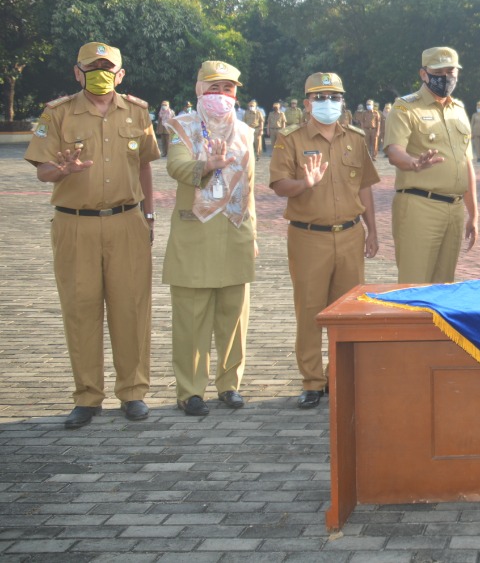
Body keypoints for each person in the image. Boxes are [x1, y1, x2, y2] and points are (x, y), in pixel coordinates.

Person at [26, 42, 159, 429]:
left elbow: (146, 166)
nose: (100, 72)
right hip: (75, 223)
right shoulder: (58, 114)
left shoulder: (138, 112)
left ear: (120, 74)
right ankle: (87, 396)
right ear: (77, 72)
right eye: (92, 67)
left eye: (107, 67)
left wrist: (149, 215)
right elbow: (42, 171)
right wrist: (61, 170)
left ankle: (133, 392)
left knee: (131, 308)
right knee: (80, 309)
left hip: (126, 221)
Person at [269, 72, 380, 409]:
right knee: (309, 310)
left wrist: (372, 229)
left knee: (348, 311)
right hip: (308, 236)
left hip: (349, 234)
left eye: (334, 97)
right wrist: (304, 183)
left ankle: (340, 376)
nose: (327, 103)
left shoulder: (356, 139)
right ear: (306, 103)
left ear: (342, 101)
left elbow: (364, 186)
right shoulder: (291, 139)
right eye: (320, 97)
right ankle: (312, 381)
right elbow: (278, 185)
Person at [163, 60, 256, 416]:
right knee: (191, 318)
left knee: (234, 316)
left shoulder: (246, 131)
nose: (221, 95)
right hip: (195, 232)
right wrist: (206, 166)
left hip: (235, 231)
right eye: (214, 88)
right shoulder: (181, 127)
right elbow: (176, 166)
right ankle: (190, 391)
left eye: (228, 89)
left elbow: (249, 187)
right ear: (199, 90)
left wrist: (255, 235)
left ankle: (229, 384)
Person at [385, 46, 478, 283]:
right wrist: (413, 163)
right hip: (420, 205)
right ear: (424, 74)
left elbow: (466, 163)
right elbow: (395, 151)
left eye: (451, 71)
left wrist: (473, 214)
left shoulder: (458, 110)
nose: (446, 77)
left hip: (454, 209)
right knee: (414, 283)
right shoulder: (406, 107)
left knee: (444, 285)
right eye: (440, 71)